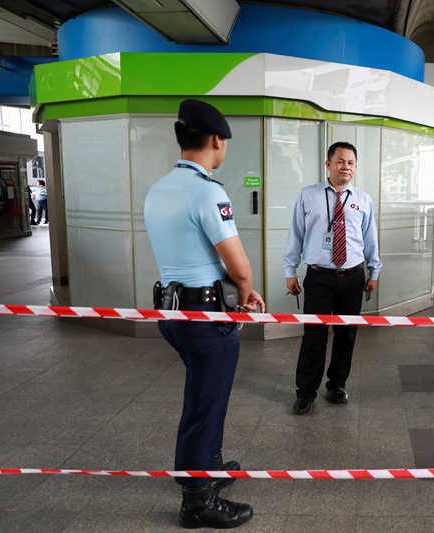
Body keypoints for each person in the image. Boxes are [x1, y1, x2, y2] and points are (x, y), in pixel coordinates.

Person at [144, 99, 264, 529]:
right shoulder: (207, 191)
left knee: (205, 396)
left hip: (172, 313)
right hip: (206, 316)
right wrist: (247, 294)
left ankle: (207, 467)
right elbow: (239, 266)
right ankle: (197, 501)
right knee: (205, 402)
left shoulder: (159, 188)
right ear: (217, 140)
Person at [284, 141, 381, 415]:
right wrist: (290, 271)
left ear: (355, 167)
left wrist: (373, 272)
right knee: (313, 336)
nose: (345, 167)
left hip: (353, 277)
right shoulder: (308, 195)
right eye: (340, 161)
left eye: (350, 162)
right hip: (318, 277)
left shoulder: (363, 199)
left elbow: (369, 238)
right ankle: (305, 392)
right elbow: (296, 235)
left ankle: (337, 384)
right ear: (328, 164)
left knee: (346, 335)